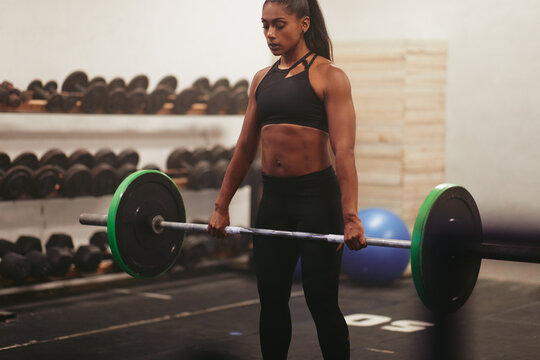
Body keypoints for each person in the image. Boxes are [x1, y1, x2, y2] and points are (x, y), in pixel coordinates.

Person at [207, 0, 367, 358]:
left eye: (279, 25)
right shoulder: (262, 80)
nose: (270, 34)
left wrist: (350, 216)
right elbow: (244, 148)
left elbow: (344, 153)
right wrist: (221, 206)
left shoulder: (330, 77)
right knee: (272, 300)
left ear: (304, 23)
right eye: (264, 26)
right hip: (274, 201)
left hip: (316, 200)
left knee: (321, 302)